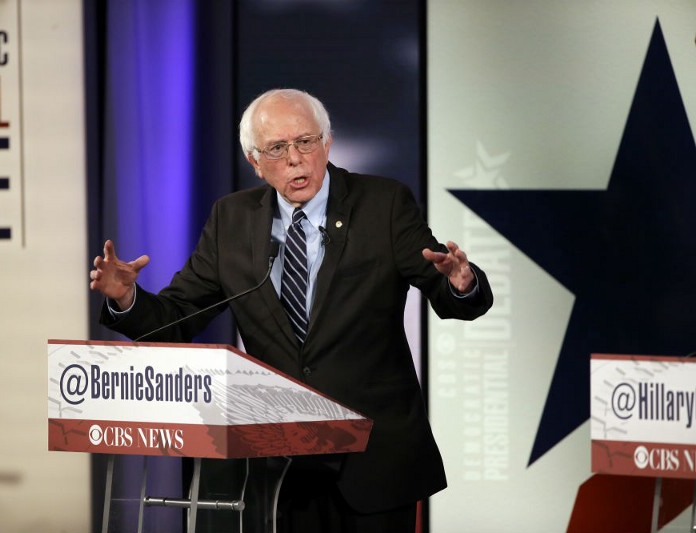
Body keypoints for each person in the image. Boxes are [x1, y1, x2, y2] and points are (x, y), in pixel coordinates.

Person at [90, 88, 493, 532]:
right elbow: (178, 317)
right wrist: (126, 299)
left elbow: (444, 288)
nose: (296, 159)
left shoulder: (384, 204)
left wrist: (461, 283)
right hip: (279, 467)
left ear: (328, 143)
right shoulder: (232, 220)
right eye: (278, 148)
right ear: (255, 161)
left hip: (374, 461)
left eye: (306, 141)